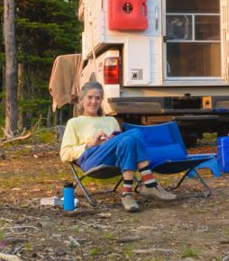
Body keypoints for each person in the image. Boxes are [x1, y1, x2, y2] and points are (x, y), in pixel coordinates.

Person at [60, 80, 176, 212]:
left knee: (129, 141)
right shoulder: (74, 122)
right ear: (82, 99)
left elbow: (125, 146)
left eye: (98, 98)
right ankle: (150, 183)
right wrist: (90, 144)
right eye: (90, 97)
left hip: (113, 159)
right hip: (92, 159)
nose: (94, 101)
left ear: (101, 100)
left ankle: (127, 193)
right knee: (135, 132)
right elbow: (64, 154)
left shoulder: (110, 120)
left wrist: (111, 141)